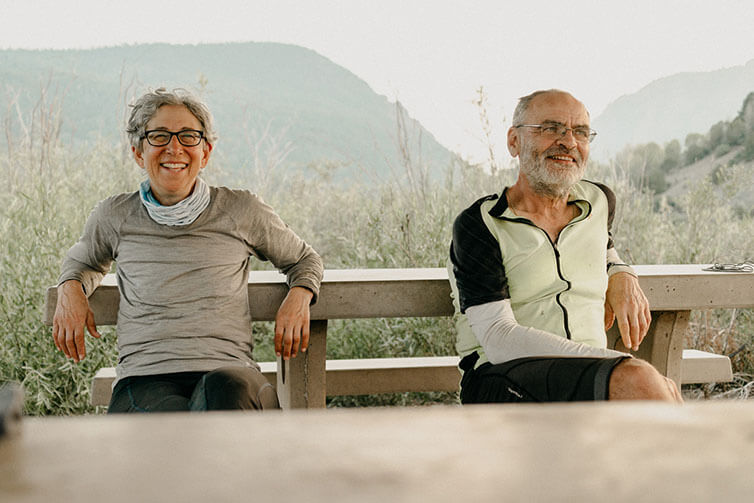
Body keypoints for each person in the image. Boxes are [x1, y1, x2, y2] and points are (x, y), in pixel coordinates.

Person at [52, 88, 323, 413]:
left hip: (230, 375)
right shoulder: (115, 216)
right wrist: (70, 288)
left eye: (188, 136)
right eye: (160, 136)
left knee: (224, 391)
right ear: (139, 152)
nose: (174, 148)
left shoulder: (241, 210)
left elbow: (304, 259)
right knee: (167, 421)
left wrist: (299, 296)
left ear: (206, 152)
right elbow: (82, 261)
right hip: (145, 376)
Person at [449, 89, 682, 403]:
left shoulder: (598, 202)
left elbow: (604, 249)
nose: (569, 142)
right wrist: (616, 363)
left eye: (580, 132)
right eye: (551, 129)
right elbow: (498, 339)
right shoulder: (479, 226)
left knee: (647, 394)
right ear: (514, 141)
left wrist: (621, 273)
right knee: (642, 383)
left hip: (588, 376)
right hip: (502, 376)